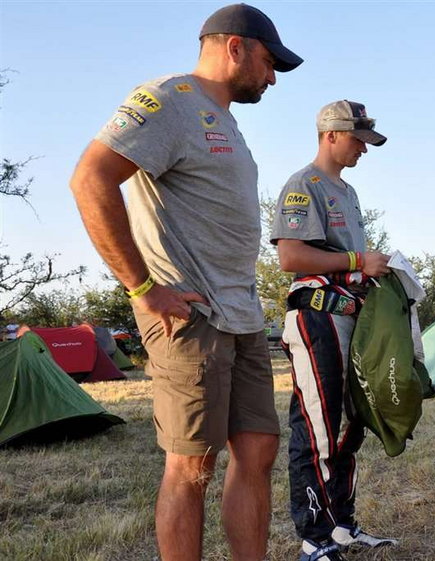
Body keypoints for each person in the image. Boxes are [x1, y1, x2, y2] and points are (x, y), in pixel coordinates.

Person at [68, 5, 302, 561]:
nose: (272, 78)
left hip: (240, 312)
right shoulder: (167, 100)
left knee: (259, 448)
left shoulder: (224, 120)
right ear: (236, 47)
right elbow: (89, 179)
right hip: (188, 314)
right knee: (192, 464)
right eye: (270, 63)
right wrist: (143, 287)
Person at [270, 100, 395, 561]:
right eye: (358, 139)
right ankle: (314, 538)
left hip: (349, 319)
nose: (364, 149)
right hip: (316, 318)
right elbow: (291, 257)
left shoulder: (348, 192)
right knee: (317, 430)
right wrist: (359, 261)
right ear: (331, 135)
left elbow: (346, 259)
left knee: (347, 427)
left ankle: (342, 526)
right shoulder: (303, 185)